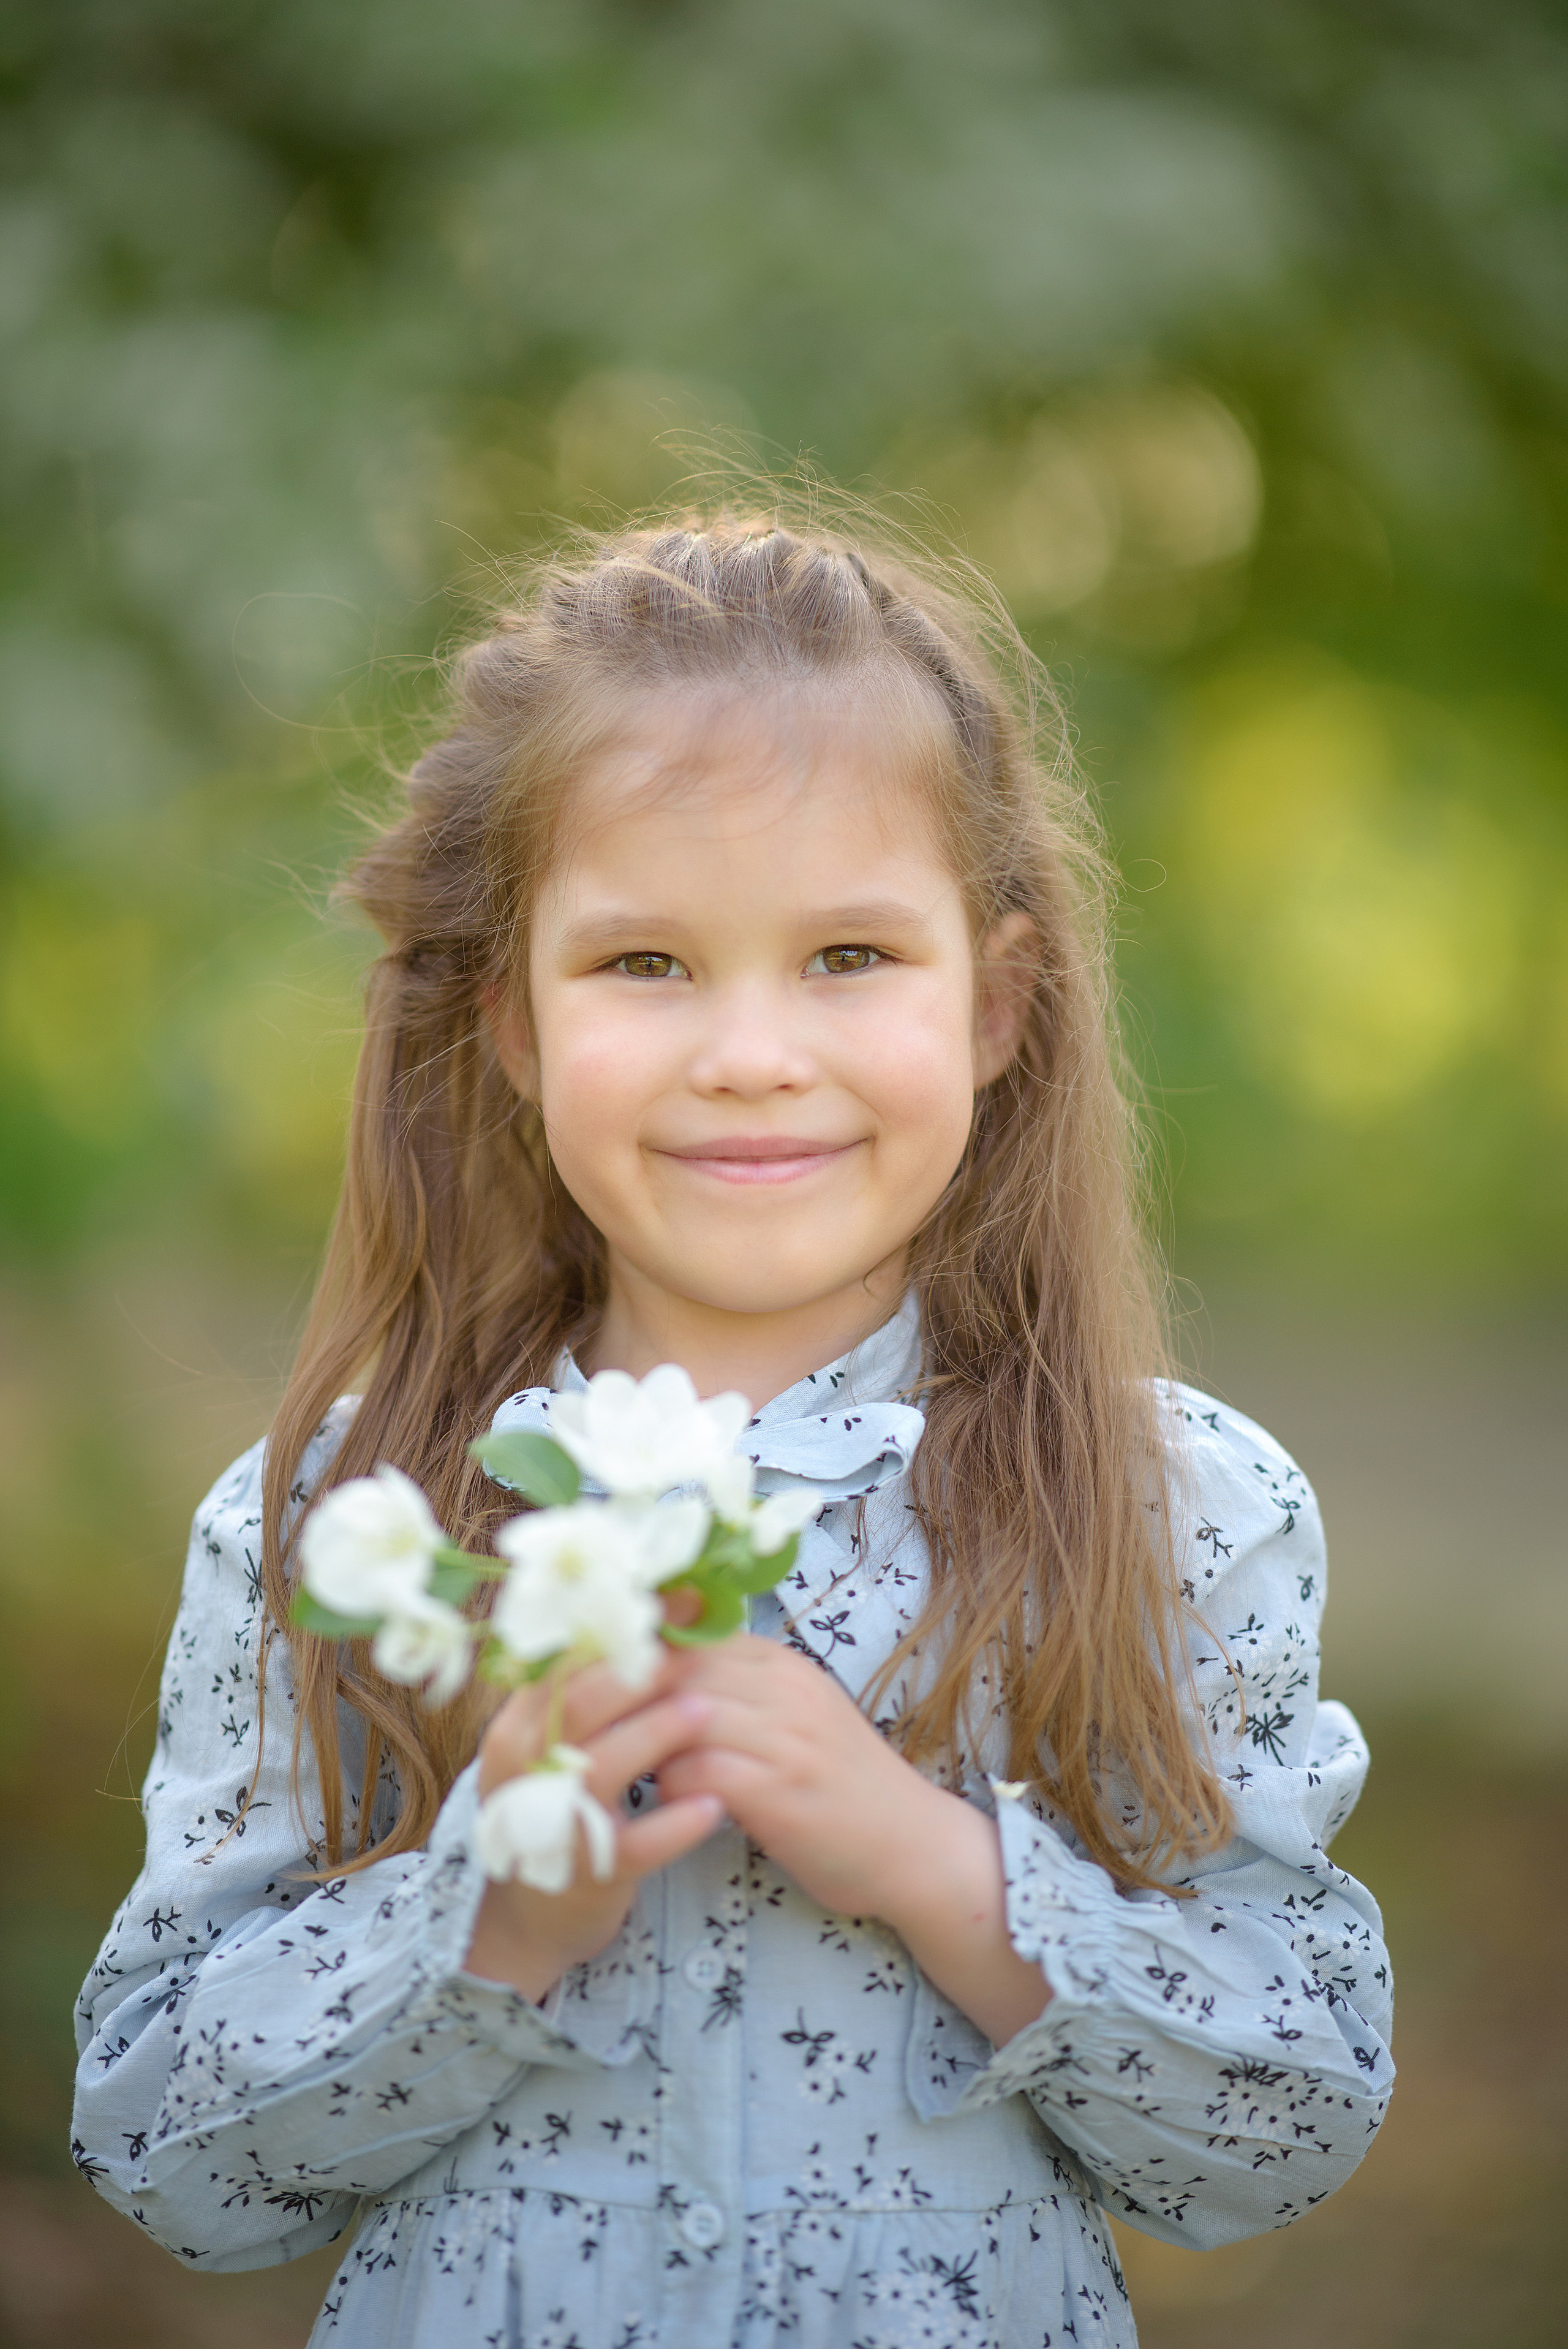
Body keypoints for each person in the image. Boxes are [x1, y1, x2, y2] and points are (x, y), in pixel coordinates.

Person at [72, 509, 1393, 2348]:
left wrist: (941, 1869)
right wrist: (486, 1919)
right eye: (647, 965)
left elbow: (1287, 2120)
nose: (752, 1051)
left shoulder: (1174, 1502)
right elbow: (167, 2156)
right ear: (513, 1022)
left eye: (850, 954)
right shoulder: (348, 1517)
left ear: (998, 999)